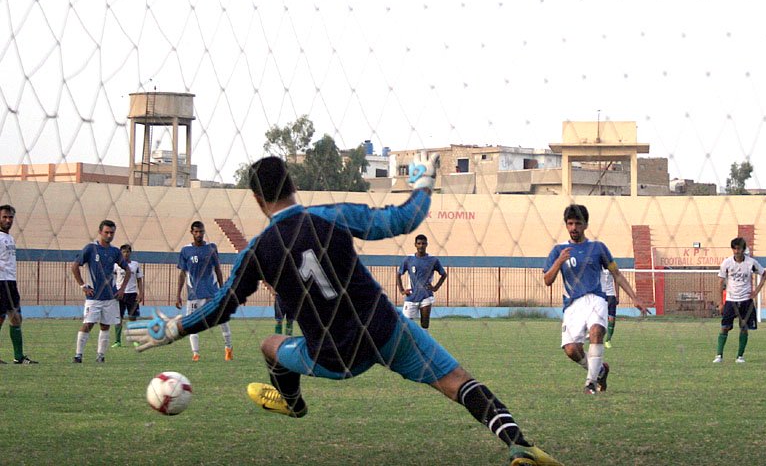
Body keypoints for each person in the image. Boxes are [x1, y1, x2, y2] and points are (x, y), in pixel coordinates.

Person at [129, 155, 561, 466]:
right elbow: (402, 221)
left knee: (269, 345)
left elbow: (222, 306)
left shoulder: (259, 251)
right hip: (386, 331)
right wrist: (425, 184)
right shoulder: (331, 216)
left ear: (257, 199)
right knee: (456, 381)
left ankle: (293, 404)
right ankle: (518, 445)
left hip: (332, 356)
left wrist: (173, 329)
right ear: (293, 183)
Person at [544, 204, 648, 395]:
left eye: (578, 223)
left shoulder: (598, 248)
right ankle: (600, 370)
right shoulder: (558, 250)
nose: (574, 228)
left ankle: (590, 383)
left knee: (597, 330)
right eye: (570, 224)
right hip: (573, 305)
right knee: (571, 350)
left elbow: (616, 274)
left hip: (596, 299)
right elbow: (547, 280)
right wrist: (559, 261)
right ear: (566, 225)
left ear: (585, 225)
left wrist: (634, 297)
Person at [71, 220, 130, 363]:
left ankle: (100, 356)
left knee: (105, 325)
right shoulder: (91, 248)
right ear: (100, 232)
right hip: (94, 297)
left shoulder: (115, 251)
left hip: (110, 297)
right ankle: (78, 355)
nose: (109, 235)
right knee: (88, 324)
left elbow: (127, 270)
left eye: (112, 233)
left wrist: (122, 289)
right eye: (107, 232)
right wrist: (83, 285)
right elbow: (75, 266)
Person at [176, 221, 233, 361]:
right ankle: (195, 353)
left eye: (201, 231)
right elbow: (182, 273)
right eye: (196, 232)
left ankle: (228, 349)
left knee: (223, 321)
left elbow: (218, 269)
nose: (199, 234)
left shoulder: (211, 248)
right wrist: (178, 295)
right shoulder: (185, 251)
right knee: (191, 324)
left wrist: (223, 289)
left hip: (213, 293)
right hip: (194, 295)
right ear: (191, 232)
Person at [712, 237, 766, 364]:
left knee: (744, 328)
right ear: (732, 249)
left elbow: (764, 274)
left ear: (743, 249)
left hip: (746, 301)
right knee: (724, 327)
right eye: (735, 248)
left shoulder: (751, 263)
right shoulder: (726, 263)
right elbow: (720, 282)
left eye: (739, 248)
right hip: (731, 301)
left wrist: (756, 292)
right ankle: (719, 355)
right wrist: (720, 302)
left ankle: (740, 356)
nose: (737, 251)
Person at [0, 205, 37, 364]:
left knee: (16, 318)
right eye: (5, 217)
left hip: (11, 282)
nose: (8, 220)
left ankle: (19, 357)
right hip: (0, 282)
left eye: (11, 217)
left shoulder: (10, 238)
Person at [396, 234, 448, 329]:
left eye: (423, 243)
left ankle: (423, 343)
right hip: (411, 296)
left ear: (426, 244)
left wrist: (435, 288)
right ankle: (408, 342)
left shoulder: (433, 260)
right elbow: (399, 274)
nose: (421, 245)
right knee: (406, 325)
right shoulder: (408, 259)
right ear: (415, 245)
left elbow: (444, 274)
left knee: (424, 324)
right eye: (419, 243)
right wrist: (402, 290)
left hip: (426, 296)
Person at [112, 244, 144, 348]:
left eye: (127, 252)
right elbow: (112, 278)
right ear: (120, 253)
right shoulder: (116, 265)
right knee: (118, 318)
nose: (125, 254)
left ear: (130, 253)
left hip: (132, 294)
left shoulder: (135, 265)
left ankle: (135, 340)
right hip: (119, 294)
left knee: (133, 318)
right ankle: (117, 341)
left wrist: (141, 293)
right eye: (123, 252)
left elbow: (139, 280)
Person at [601, 268, 619, 348]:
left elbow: (617, 280)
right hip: (600, 295)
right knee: (598, 317)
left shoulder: (611, 266)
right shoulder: (597, 265)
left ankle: (608, 340)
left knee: (612, 319)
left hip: (611, 295)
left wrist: (617, 295)